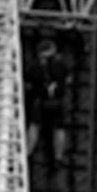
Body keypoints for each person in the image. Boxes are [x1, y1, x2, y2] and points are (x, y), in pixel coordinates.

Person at [25, 38, 72, 168]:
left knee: (34, 126)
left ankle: (28, 152)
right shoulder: (61, 65)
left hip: (40, 101)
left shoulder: (34, 67)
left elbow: (28, 83)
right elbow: (68, 79)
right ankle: (58, 157)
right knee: (59, 129)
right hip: (58, 101)